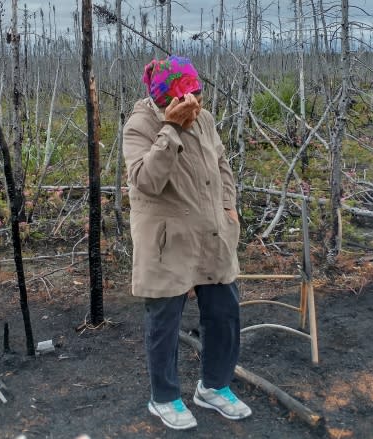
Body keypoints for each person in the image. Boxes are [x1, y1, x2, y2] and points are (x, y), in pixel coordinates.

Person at [122, 56, 252, 430]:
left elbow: (222, 163)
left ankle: (214, 386)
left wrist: (229, 206)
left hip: (212, 233)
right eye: (187, 95)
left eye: (197, 93)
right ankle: (163, 398)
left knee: (224, 312)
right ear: (167, 99)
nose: (195, 102)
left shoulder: (206, 119)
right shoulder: (140, 126)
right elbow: (146, 181)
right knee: (164, 321)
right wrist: (171, 130)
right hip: (168, 241)